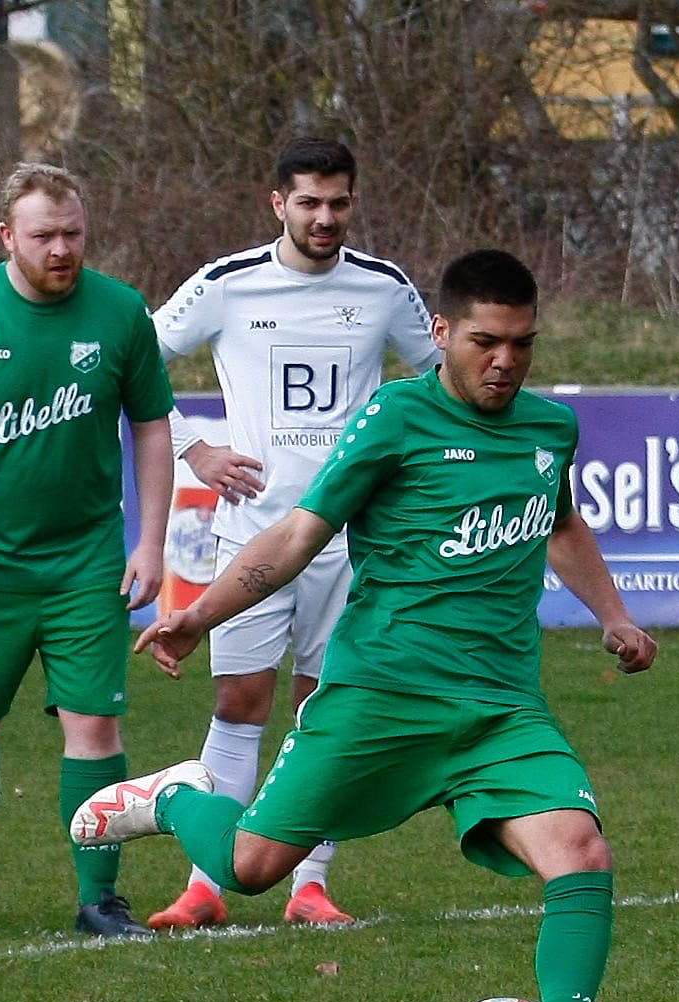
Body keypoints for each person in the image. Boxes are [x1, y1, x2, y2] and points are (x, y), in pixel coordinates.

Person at [73, 250, 658, 1002]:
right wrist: (198, 616)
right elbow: (296, 536)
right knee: (248, 867)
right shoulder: (396, 417)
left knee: (581, 853)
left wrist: (612, 613)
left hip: (499, 708)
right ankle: (175, 799)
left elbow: (560, 520)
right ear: (441, 333)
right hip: (379, 696)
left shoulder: (547, 428)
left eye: (522, 345)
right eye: (486, 342)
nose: (504, 362)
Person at [146, 136, 439, 931]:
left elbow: (444, 378)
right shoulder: (227, 284)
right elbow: (132, 358)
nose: (324, 217)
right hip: (251, 537)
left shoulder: (383, 288)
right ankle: (207, 885)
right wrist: (193, 447)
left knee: (325, 712)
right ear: (276, 203)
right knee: (239, 704)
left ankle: (309, 884)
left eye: (338, 202)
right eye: (307, 202)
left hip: (352, 543)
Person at [0, 161, 176, 939]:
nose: (61, 249)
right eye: (44, 235)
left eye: (73, 233)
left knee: (93, 727)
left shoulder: (120, 312)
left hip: (84, 562)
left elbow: (152, 426)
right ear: (6, 237)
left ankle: (99, 899)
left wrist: (148, 541)